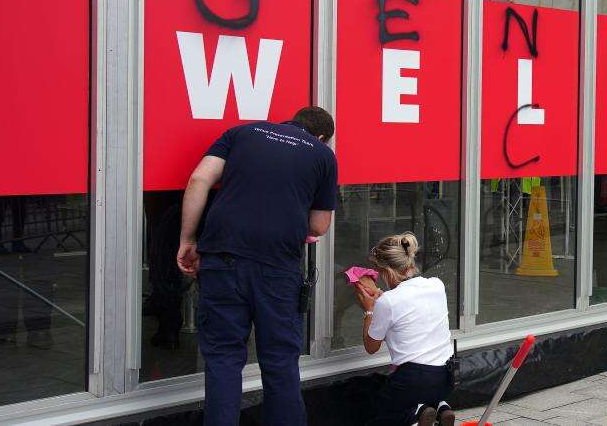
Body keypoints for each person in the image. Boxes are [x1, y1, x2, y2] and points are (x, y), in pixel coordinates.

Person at [176, 106, 338, 426]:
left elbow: (198, 179)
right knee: (279, 362)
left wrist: (188, 238)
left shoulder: (242, 133)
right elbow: (319, 226)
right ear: (321, 137)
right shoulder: (322, 154)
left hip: (221, 257)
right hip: (277, 267)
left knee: (223, 359)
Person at [353, 232, 455, 426]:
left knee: (380, 416)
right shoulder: (436, 285)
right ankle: (441, 408)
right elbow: (412, 314)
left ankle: (415, 414)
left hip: (411, 379)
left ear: (387, 272)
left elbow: (371, 346)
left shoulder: (387, 302)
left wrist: (369, 310)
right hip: (445, 377)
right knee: (421, 390)